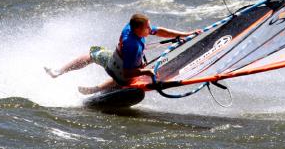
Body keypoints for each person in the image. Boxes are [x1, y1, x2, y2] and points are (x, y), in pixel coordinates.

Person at [44, 13, 199, 95]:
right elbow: (127, 71)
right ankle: (98, 90)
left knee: (93, 53)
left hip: (114, 59)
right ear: (138, 29)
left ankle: (60, 72)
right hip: (123, 71)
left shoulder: (131, 27)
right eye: (147, 27)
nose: (150, 29)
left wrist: (185, 34)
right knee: (123, 78)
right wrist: (144, 70)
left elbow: (159, 31)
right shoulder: (133, 46)